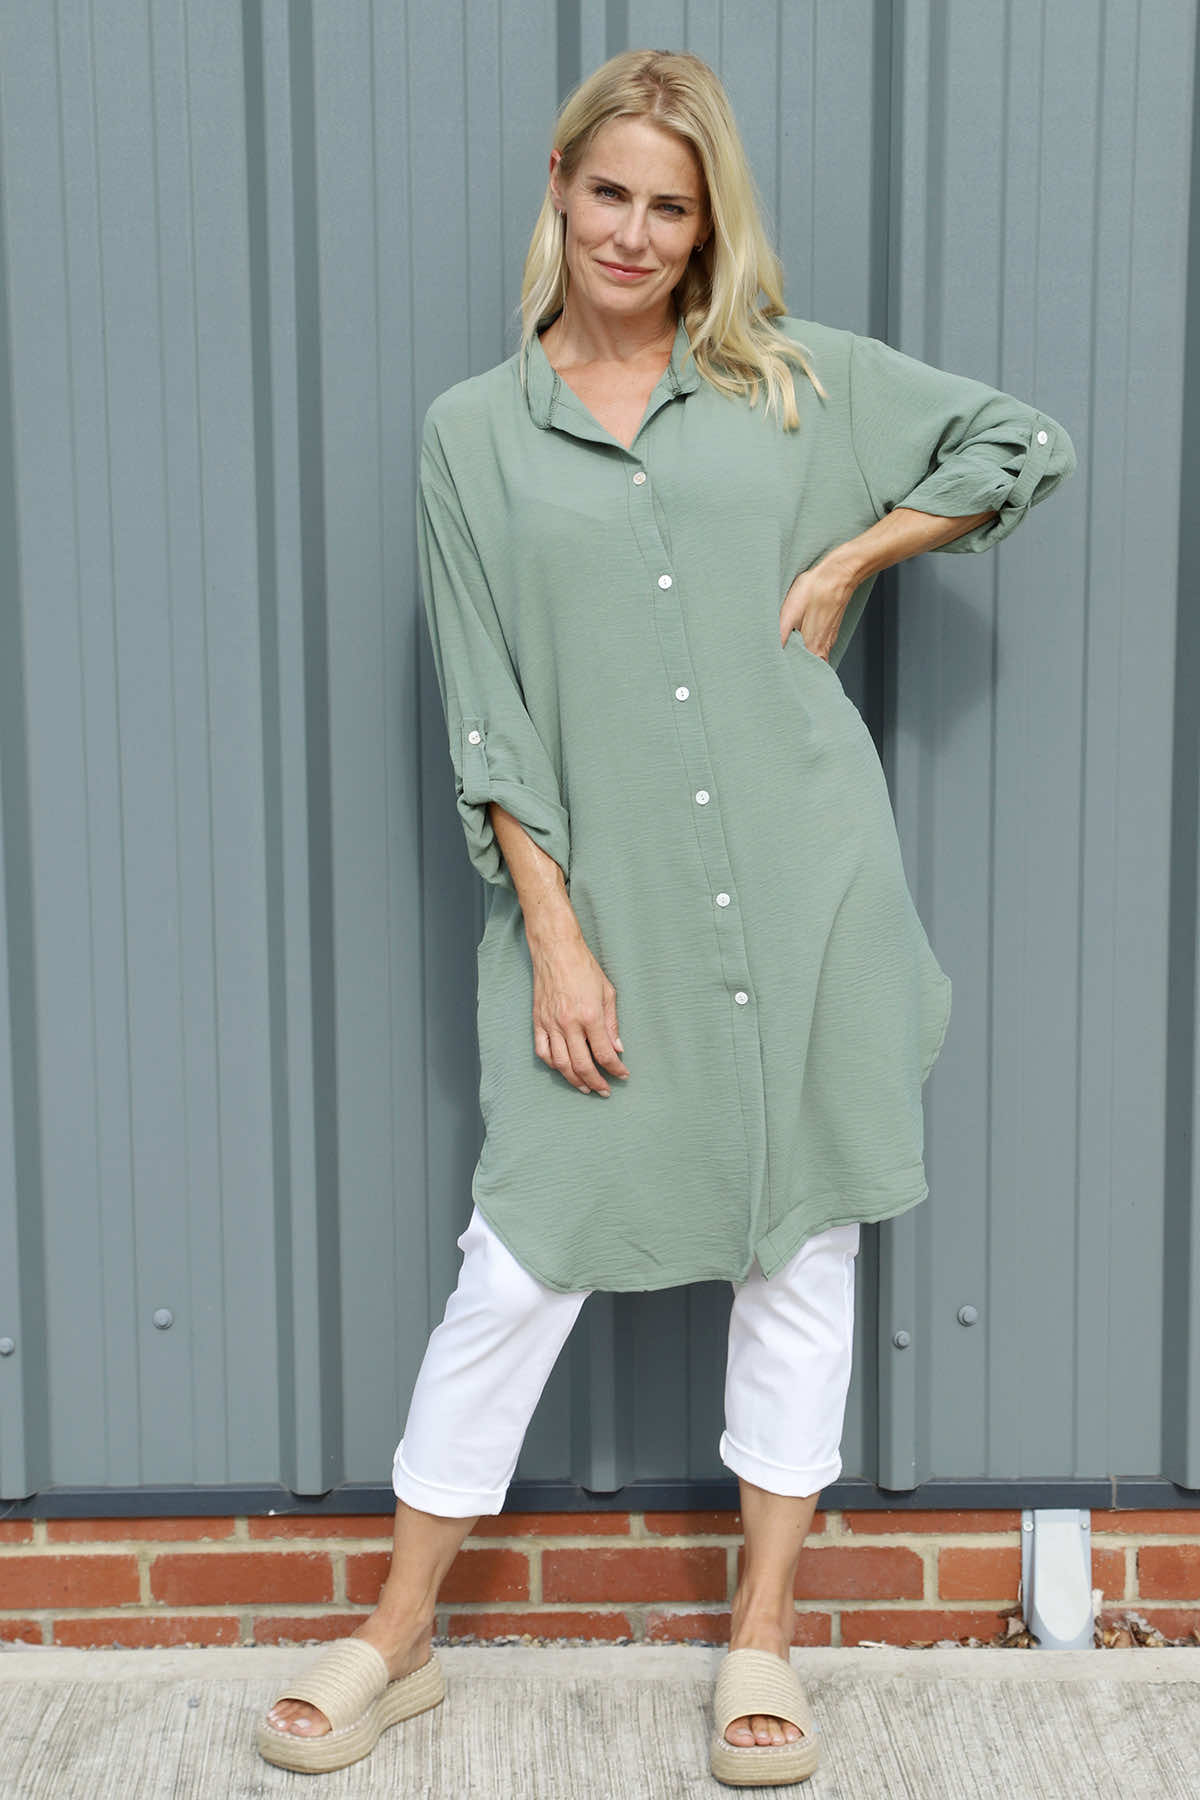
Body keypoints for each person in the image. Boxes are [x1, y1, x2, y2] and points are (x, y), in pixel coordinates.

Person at [256, 45, 1076, 1787]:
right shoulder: (474, 435)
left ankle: (762, 1636)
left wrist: (852, 557)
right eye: (609, 193)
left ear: (710, 228)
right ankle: (397, 1636)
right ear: (560, 191)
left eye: (672, 207)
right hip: (606, 904)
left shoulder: (790, 387)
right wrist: (555, 934)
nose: (634, 232)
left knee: (803, 1249)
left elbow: (1019, 443)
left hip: (806, 890)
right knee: (520, 1262)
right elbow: (488, 707)